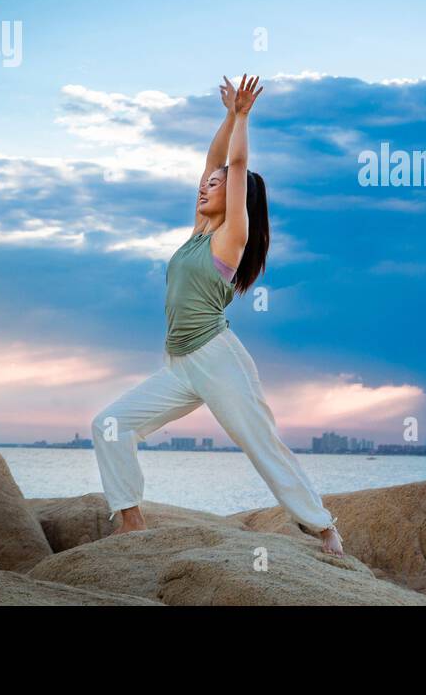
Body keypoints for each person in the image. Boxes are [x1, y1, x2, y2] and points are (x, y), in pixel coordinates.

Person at [91, 74, 343, 555]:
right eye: (205, 184)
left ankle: (325, 528)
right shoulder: (196, 234)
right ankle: (131, 521)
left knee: (260, 443)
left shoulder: (231, 239)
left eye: (217, 185)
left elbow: (236, 162)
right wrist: (227, 116)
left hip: (217, 357)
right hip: (180, 363)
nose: (205, 186)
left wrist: (245, 117)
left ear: (236, 199)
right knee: (110, 424)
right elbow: (216, 159)